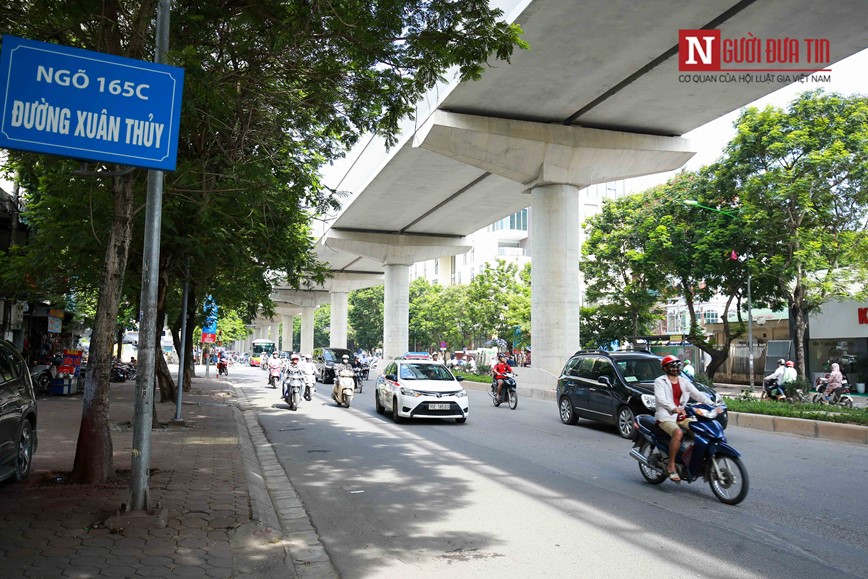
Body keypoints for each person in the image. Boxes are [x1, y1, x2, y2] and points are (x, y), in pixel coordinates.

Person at [653, 355, 713, 482]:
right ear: (665, 368)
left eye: (677, 366)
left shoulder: (684, 382)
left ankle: (691, 458)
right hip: (665, 416)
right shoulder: (660, 381)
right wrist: (674, 408)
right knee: (678, 432)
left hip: (681, 416)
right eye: (672, 366)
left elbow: (697, 394)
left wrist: (712, 404)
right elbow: (660, 399)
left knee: (702, 429)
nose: (675, 368)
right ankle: (671, 465)